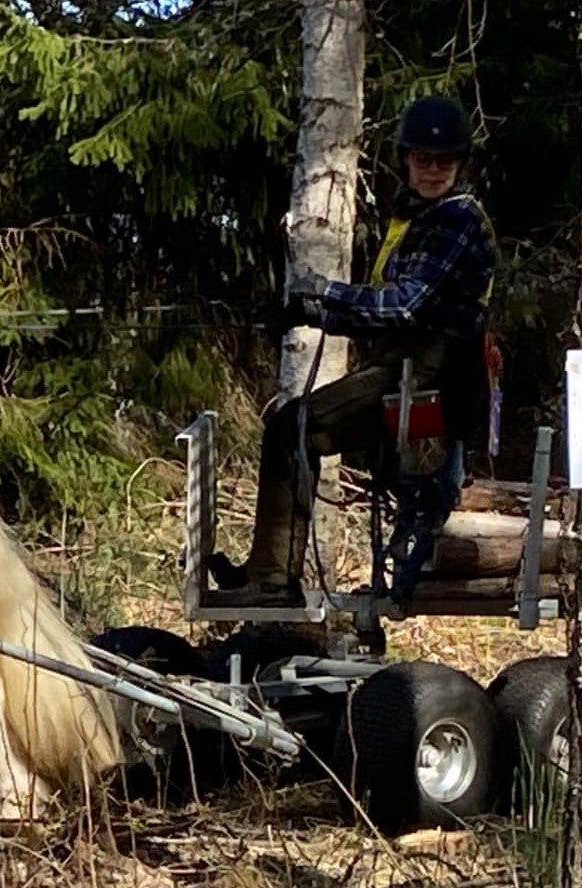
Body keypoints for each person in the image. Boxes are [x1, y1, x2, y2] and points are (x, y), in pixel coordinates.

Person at [210, 95, 500, 608]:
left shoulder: (456, 221)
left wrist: (322, 296)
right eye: (422, 159)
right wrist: (313, 311)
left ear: (461, 164)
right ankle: (269, 573)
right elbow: (383, 309)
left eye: (445, 161)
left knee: (291, 429)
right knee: (290, 426)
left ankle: (273, 581)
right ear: (406, 159)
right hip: (407, 372)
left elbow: (406, 305)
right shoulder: (419, 217)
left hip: (432, 382)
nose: (433, 170)